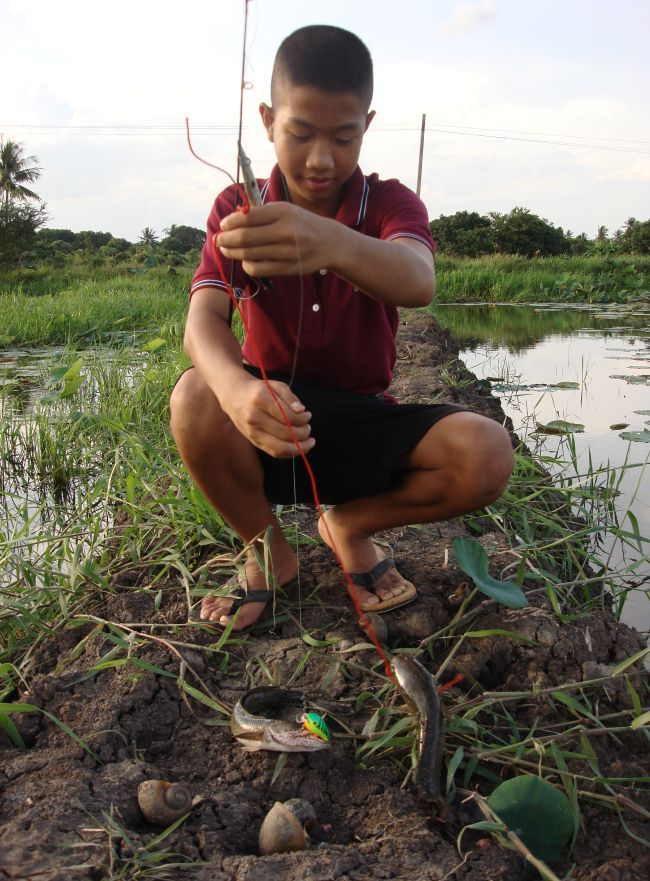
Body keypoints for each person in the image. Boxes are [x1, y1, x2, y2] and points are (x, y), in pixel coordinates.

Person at [170, 25, 514, 632]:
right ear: (268, 120)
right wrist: (236, 390)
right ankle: (267, 550)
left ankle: (348, 525)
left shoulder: (388, 204)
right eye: (300, 134)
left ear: (368, 125)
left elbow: (417, 278)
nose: (321, 158)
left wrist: (327, 240)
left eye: (343, 136)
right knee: (194, 395)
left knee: (486, 454)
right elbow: (204, 317)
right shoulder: (237, 209)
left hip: (363, 423)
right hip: (272, 424)